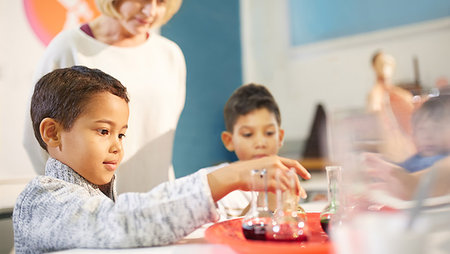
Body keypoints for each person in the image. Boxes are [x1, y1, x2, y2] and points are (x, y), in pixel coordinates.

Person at [13, 66, 311, 253]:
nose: (117, 146)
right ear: (52, 133)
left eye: (121, 135)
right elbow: (120, 223)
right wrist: (229, 176)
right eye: (104, 131)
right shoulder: (41, 201)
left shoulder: (95, 195)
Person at [23, 0, 187, 193]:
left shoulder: (170, 55)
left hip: (158, 202)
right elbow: (36, 141)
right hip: (91, 211)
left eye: (161, 0)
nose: (151, 11)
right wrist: (75, 202)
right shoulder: (69, 47)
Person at [217, 83, 306, 219]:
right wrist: (262, 206)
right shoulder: (218, 184)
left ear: (280, 137)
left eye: (269, 133)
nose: (260, 143)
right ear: (229, 140)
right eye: (248, 134)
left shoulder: (285, 182)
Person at [366, 50, 416, 162]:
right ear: (374, 67)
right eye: (381, 64)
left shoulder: (402, 94)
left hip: (409, 151)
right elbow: (374, 113)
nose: (385, 67)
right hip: (391, 154)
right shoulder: (375, 95)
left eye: (388, 64)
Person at [396, 95, 450, 172]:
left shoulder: (443, 163)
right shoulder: (415, 159)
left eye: (436, 129)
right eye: (421, 129)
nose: (428, 136)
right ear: (413, 135)